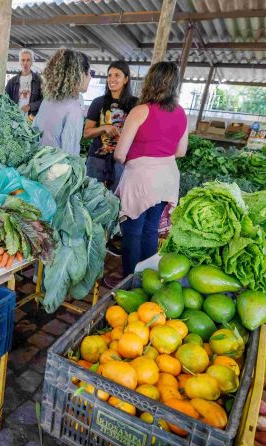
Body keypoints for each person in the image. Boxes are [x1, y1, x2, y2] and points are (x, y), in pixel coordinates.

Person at [112, 61, 188, 280]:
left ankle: (130, 281)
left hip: (141, 178)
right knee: (151, 229)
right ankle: (148, 280)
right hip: (167, 178)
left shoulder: (140, 111)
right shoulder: (181, 113)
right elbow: (181, 151)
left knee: (132, 232)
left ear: (150, 81)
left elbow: (119, 154)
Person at [84, 61, 137, 190]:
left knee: (117, 199)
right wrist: (104, 128)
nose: (112, 79)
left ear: (126, 79)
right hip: (97, 160)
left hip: (122, 162)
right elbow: (87, 133)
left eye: (117, 75)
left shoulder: (135, 104)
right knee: (92, 196)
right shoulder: (98, 102)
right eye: (109, 75)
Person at [33, 49, 91, 155]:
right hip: (57, 164)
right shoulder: (74, 108)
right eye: (89, 73)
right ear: (81, 75)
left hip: (38, 161)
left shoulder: (47, 101)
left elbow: (34, 135)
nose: (90, 77)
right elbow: (70, 153)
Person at [5, 49, 43, 116]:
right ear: (19, 62)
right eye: (23, 60)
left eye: (28, 60)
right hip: (15, 118)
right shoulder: (12, 82)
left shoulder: (38, 80)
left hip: (32, 118)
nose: (25, 63)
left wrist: (30, 106)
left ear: (31, 62)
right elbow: (5, 100)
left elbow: (43, 100)